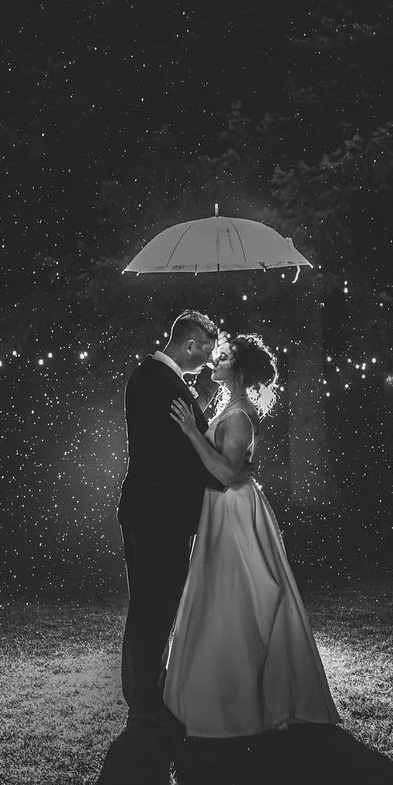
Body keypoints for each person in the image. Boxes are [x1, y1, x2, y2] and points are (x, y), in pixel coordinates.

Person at [162, 332, 340, 737]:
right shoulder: (233, 408)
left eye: (222, 359)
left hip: (232, 511)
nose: (214, 363)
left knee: (233, 598)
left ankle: (236, 699)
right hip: (221, 508)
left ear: (238, 369)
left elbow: (226, 473)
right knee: (220, 596)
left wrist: (192, 431)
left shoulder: (240, 416)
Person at [116, 309, 250, 726]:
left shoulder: (157, 378)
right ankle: (144, 699)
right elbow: (176, 450)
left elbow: (177, 432)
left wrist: (200, 411)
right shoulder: (159, 381)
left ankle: (146, 691)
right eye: (207, 351)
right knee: (154, 604)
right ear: (190, 345)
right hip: (159, 514)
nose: (210, 361)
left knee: (152, 602)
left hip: (152, 510)